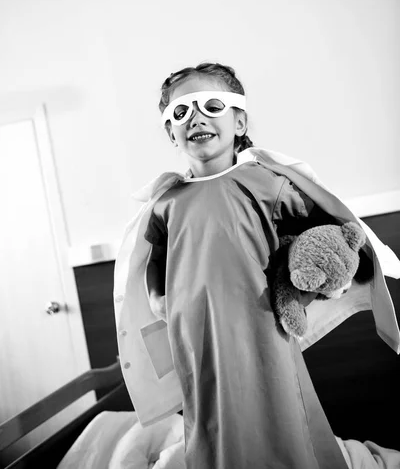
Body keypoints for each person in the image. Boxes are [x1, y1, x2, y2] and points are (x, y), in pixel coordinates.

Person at [114, 62, 400, 469]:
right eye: (180, 113)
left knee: (277, 399)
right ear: (170, 133)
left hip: (261, 320)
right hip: (194, 332)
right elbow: (155, 259)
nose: (195, 117)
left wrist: (320, 273)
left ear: (240, 119)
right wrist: (160, 297)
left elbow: (322, 226)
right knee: (209, 409)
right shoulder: (167, 203)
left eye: (210, 105)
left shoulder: (263, 181)